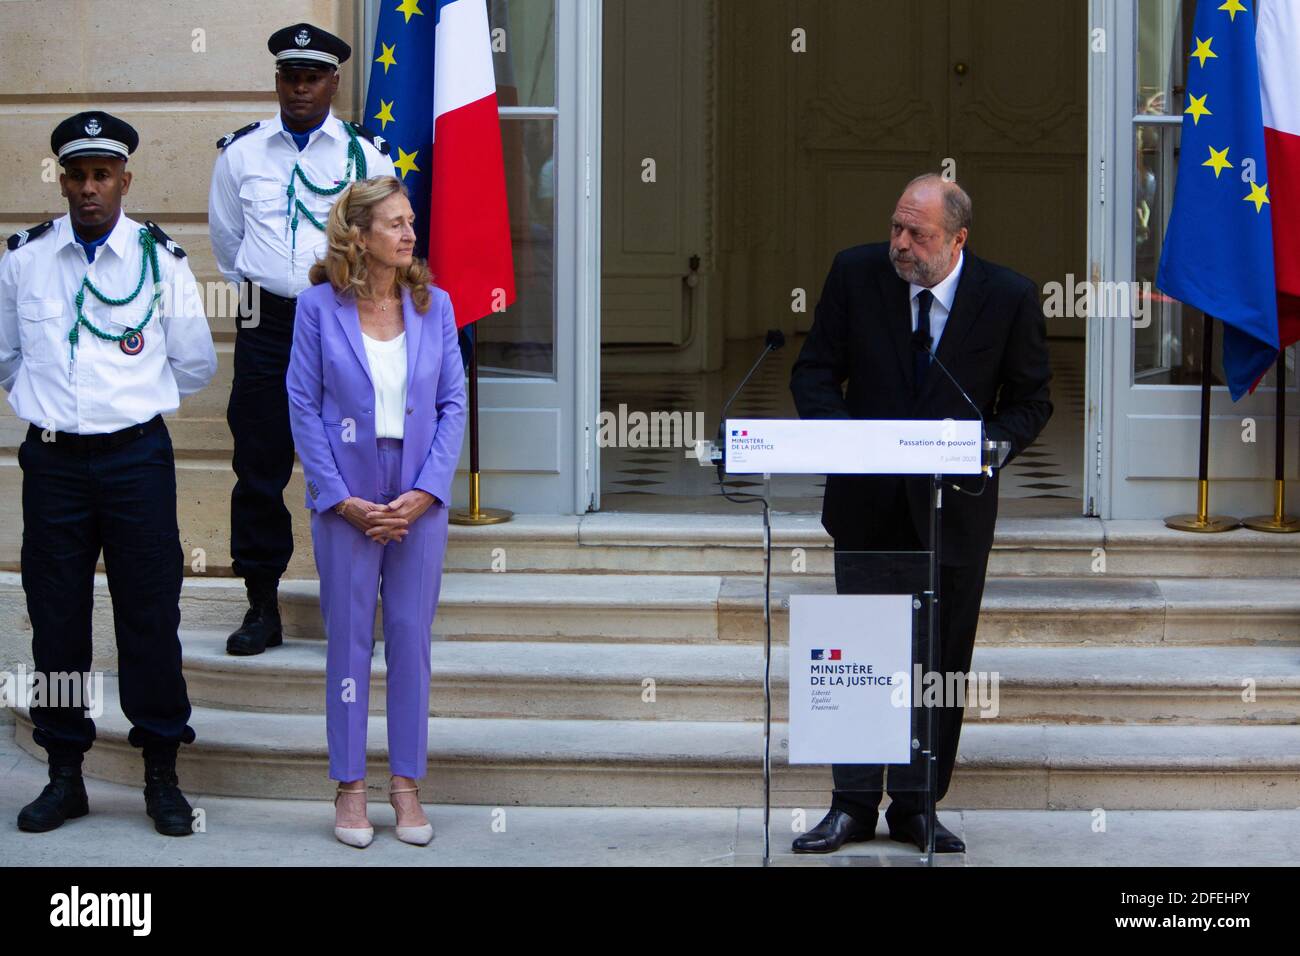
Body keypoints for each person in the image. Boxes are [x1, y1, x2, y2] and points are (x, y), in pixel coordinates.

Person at [789, 173, 1052, 854]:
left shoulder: (1010, 297)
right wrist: (846, 439)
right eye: (896, 228)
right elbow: (813, 372)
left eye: (919, 235)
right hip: (867, 503)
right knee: (858, 658)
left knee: (937, 662)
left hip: (952, 512)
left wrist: (989, 448)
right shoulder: (855, 275)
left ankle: (915, 805)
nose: (900, 245)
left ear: (958, 239)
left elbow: (1031, 400)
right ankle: (850, 804)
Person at [1, 111, 217, 836]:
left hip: (135, 461)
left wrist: (125, 408)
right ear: (60, 179)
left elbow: (193, 362)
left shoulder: (161, 260)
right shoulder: (25, 260)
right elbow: (7, 359)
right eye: (78, 175)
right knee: (57, 619)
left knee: (150, 617)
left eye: (103, 175)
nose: (90, 188)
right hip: (54, 462)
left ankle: (161, 771)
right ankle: (66, 774)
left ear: (126, 178)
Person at [286, 176, 466, 848]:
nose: (409, 234)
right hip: (347, 494)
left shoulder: (435, 307)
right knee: (350, 643)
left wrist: (425, 492)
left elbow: (452, 403)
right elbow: (302, 405)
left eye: (411, 221)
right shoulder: (316, 308)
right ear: (358, 234)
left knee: (412, 642)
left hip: (418, 490)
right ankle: (351, 786)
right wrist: (339, 497)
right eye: (394, 223)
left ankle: (407, 786)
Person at [209, 22, 396, 657]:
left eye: (312, 77)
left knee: (354, 461)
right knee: (258, 463)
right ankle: (262, 604)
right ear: (278, 80)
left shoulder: (365, 158)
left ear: (334, 83)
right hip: (265, 321)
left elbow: (384, 244)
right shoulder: (242, 154)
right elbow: (229, 247)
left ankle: (355, 605)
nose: (300, 88)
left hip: (340, 314)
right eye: (290, 76)